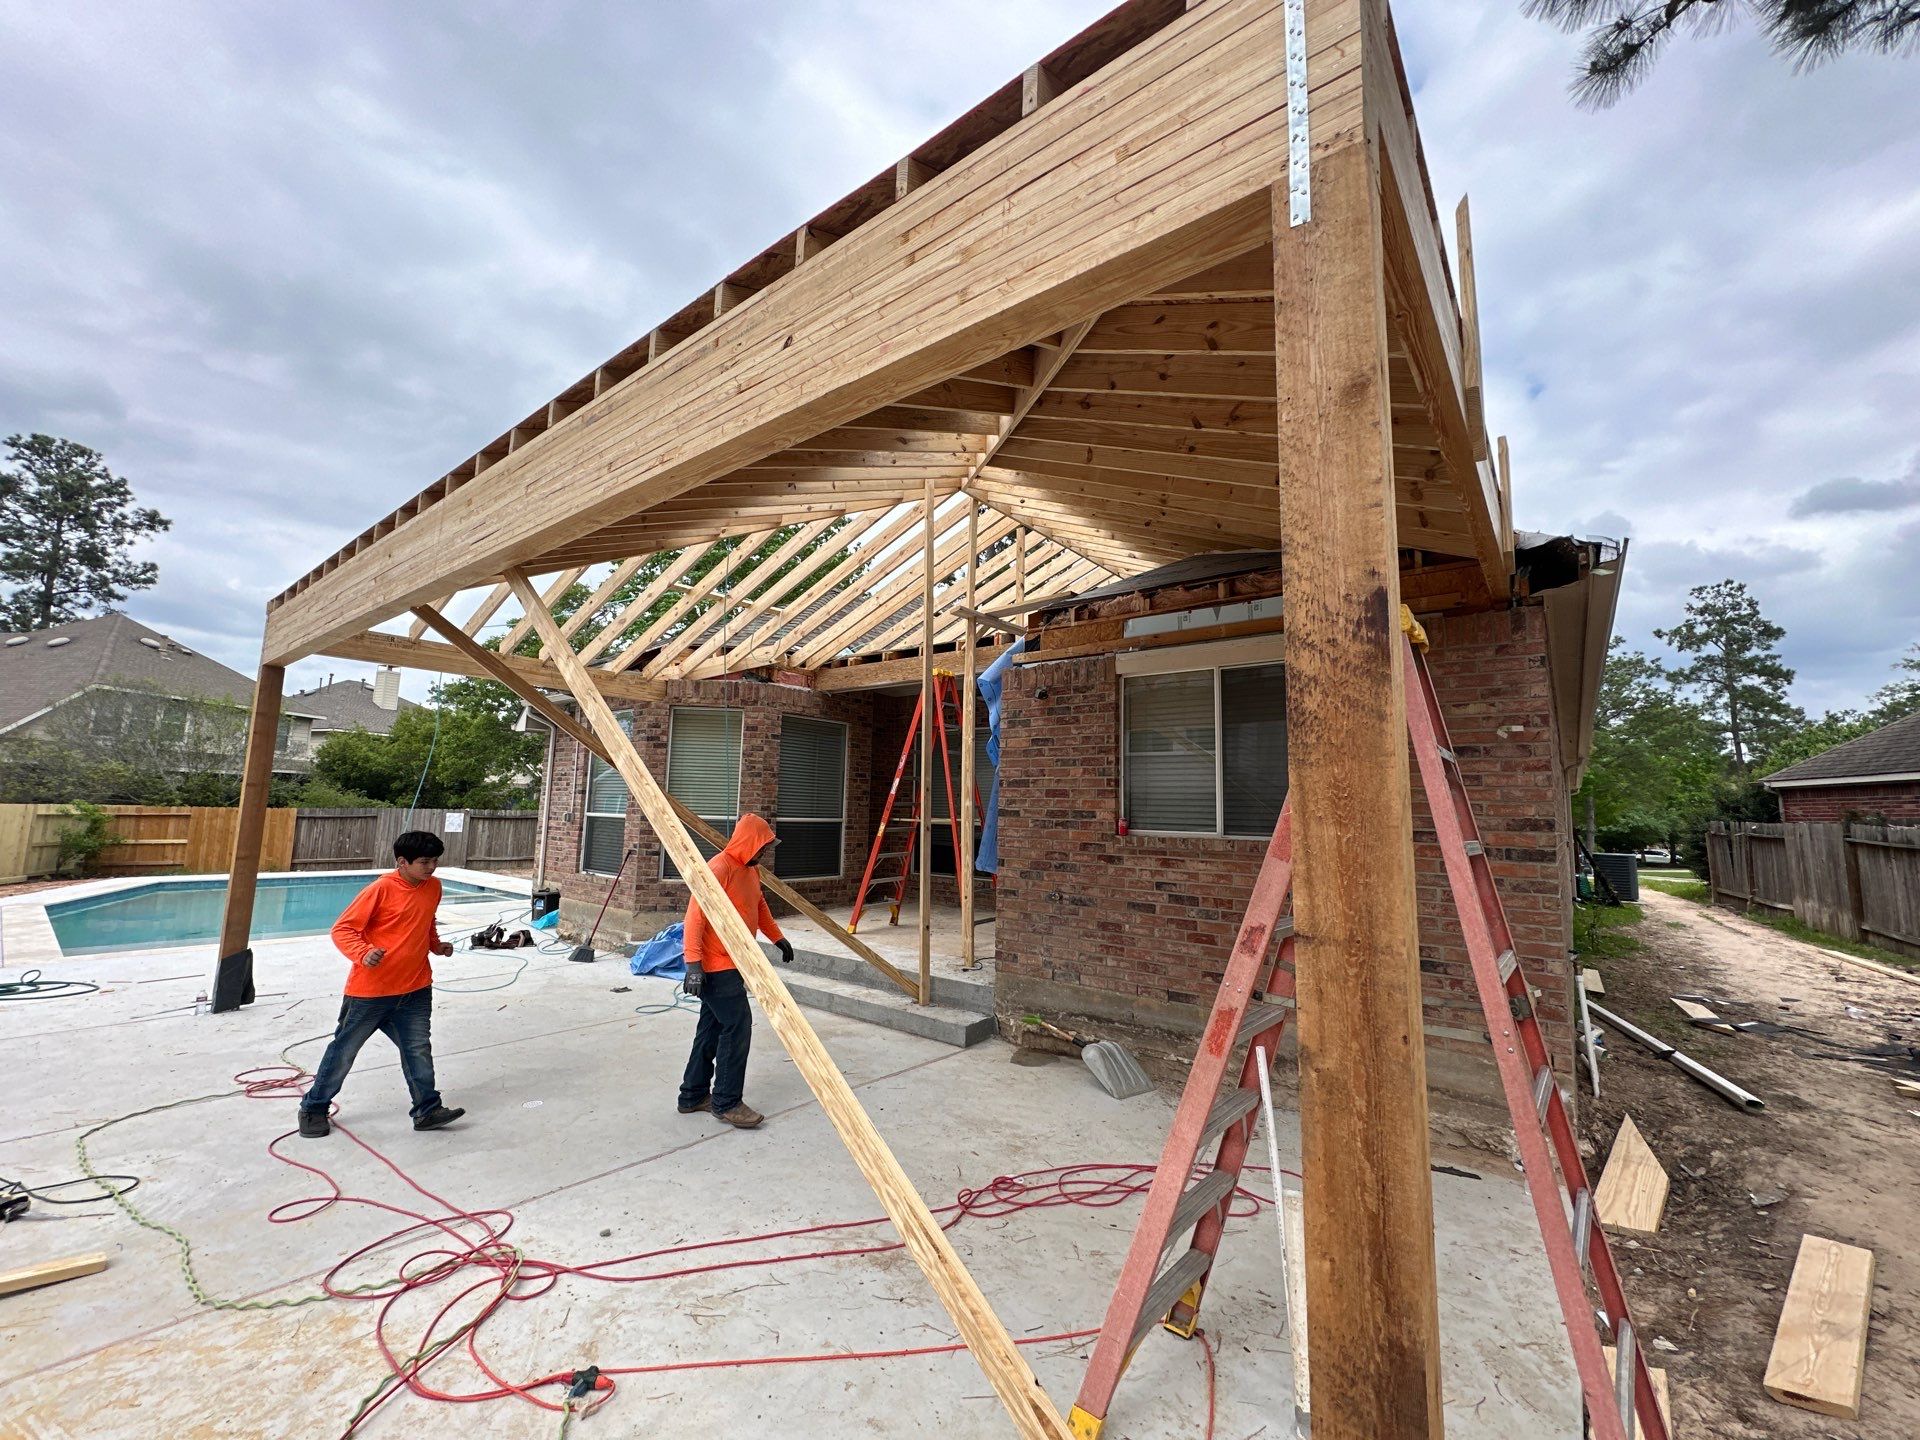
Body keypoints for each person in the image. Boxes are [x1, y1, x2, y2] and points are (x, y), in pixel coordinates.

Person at [298, 831, 464, 1138]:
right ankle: (313, 1108)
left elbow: (425, 922)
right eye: (424, 862)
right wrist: (363, 953)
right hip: (370, 993)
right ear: (402, 862)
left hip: (415, 989)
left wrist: (436, 946)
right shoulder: (381, 889)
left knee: (417, 1050)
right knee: (344, 1051)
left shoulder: (433, 887)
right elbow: (343, 929)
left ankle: (427, 1110)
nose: (431, 868)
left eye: (435, 861)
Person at [677, 813, 794, 1129]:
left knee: (711, 1029)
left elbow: (759, 907)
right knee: (738, 1026)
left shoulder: (750, 871)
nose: (765, 853)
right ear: (749, 843)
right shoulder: (720, 868)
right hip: (717, 966)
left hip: (735, 961)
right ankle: (727, 1102)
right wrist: (693, 966)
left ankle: (692, 1095)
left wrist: (777, 937)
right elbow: (695, 917)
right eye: (763, 846)